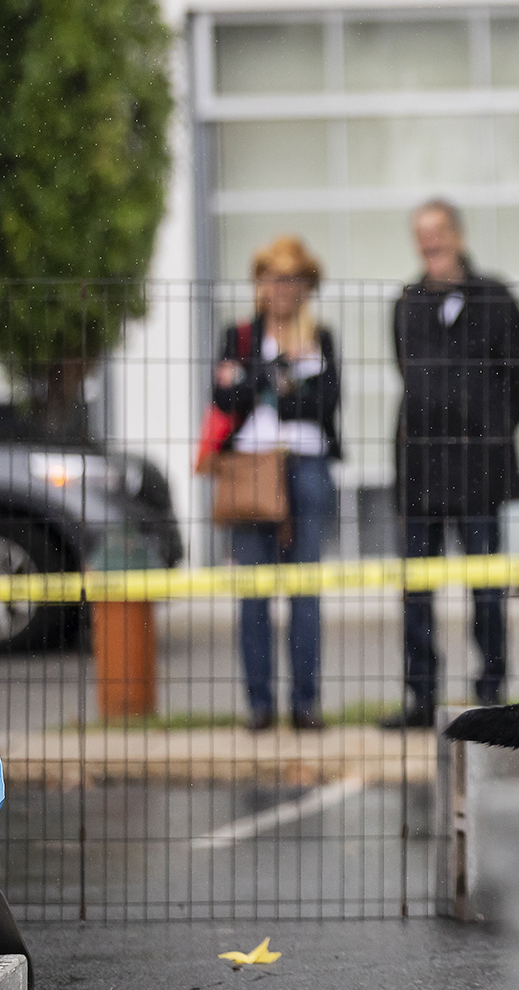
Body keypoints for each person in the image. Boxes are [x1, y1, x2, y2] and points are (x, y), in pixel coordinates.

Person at [384, 200, 519, 729]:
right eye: (421, 234)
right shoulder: (406, 301)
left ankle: (490, 691)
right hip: (420, 466)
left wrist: (490, 431)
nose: (430, 243)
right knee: (416, 590)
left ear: (458, 235)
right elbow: (405, 368)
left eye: (438, 232)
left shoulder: (496, 298)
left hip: (480, 467)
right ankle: (421, 697)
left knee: (486, 587)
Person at [212, 236, 340, 734]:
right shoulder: (238, 335)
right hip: (251, 470)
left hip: (307, 468)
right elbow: (222, 399)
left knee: (306, 590)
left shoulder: (322, 336)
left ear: (306, 286)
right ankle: (259, 706)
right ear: (259, 284)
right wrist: (284, 380)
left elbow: (325, 405)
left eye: (291, 278)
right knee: (254, 591)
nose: (281, 288)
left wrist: (261, 383)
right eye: (272, 277)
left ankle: (305, 704)